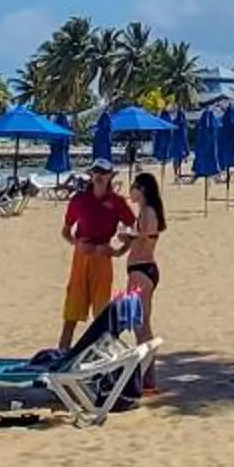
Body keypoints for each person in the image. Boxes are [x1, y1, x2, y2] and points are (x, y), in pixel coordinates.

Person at [58, 158, 134, 351]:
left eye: (103, 172)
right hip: (80, 258)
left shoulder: (117, 202)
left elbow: (133, 231)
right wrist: (77, 244)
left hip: (102, 258)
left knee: (101, 316)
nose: (99, 176)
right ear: (91, 175)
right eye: (95, 172)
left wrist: (117, 251)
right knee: (71, 314)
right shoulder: (79, 199)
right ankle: (60, 356)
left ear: (111, 176)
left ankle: (101, 357)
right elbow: (65, 231)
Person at [121, 169, 166, 389]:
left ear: (142, 190)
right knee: (142, 324)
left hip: (142, 270)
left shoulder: (148, 211)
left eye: (134, 187)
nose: (131, 192)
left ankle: (148, 377)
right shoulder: (146, 211)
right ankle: (148, 377)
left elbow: (148, 234)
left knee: (141, 326)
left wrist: (129, 234)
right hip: (142, 269)